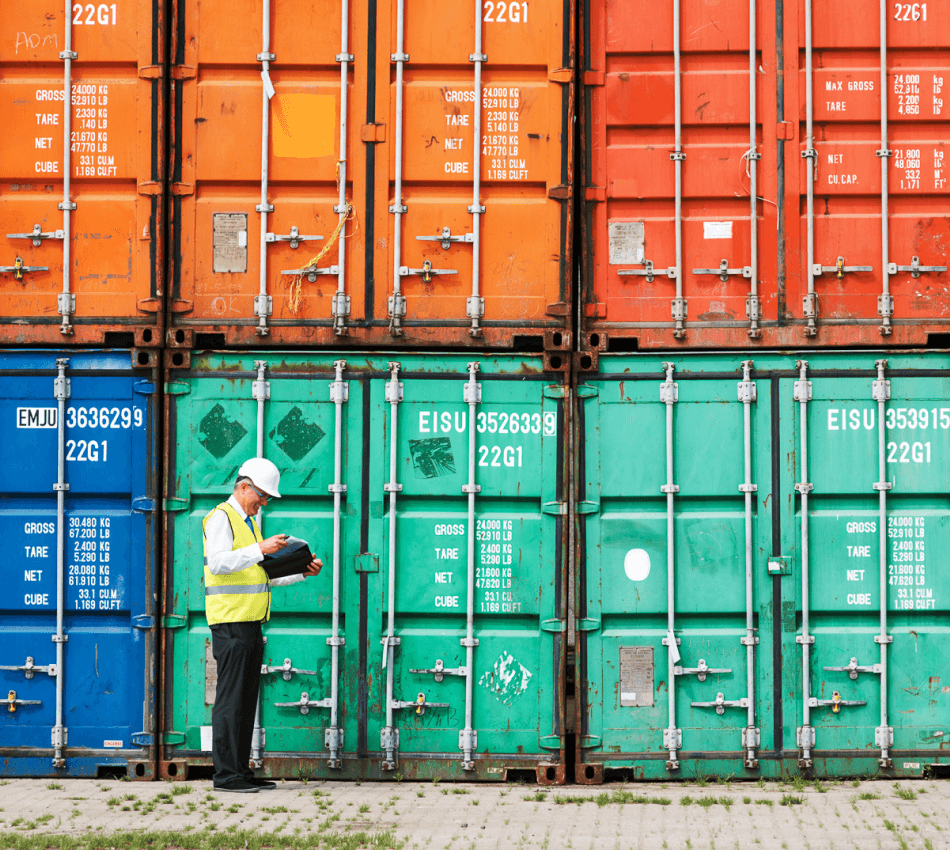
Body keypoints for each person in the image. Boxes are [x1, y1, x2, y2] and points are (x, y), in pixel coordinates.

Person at [203, 457, 322, 793]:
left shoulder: (248, 523)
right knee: (230, 700)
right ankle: (226, 776)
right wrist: (260, 548)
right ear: (243, 488)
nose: (264, 503)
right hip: (230, 622)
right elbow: (219, 563)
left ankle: (240, 771)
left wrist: (301, 572)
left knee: (245, 700)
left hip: (250, 622)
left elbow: (262, 576)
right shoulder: (220, 518)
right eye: (262, 496)